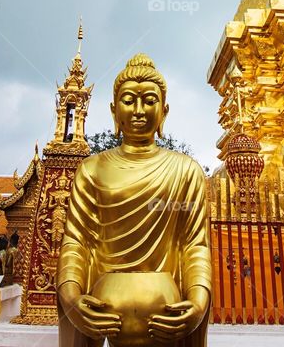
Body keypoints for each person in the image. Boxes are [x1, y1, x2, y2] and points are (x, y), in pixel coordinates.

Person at [57, 54, 211, 347]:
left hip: (166, 309)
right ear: (114, 111)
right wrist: (71, 295)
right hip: (106, 308)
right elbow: (77, 242)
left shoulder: (185, 170)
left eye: (149, 100)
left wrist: (199, 299)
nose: (139, 110)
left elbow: (195, 244)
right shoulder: (92, 169)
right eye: (129, 100)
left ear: (164, 111)